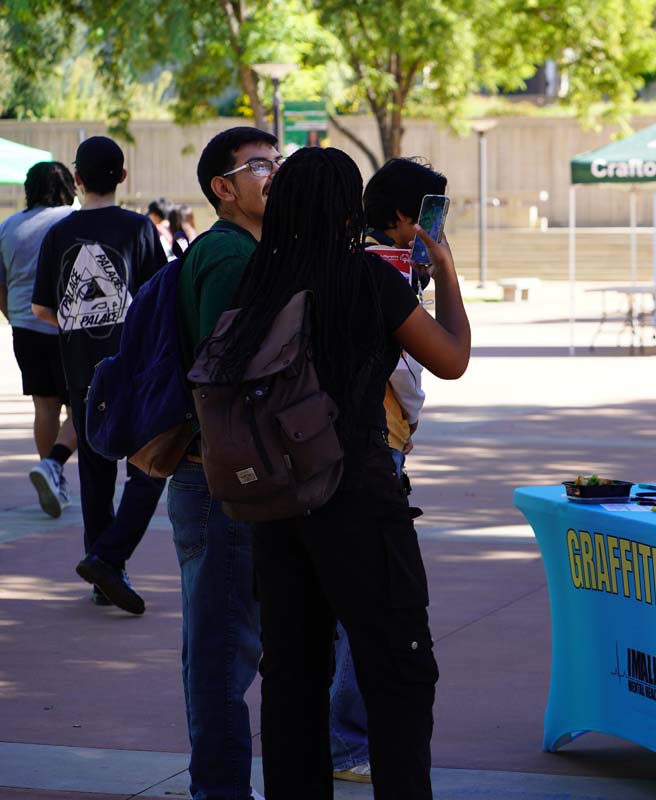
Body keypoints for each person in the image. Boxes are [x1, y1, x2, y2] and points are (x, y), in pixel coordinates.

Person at [202, 146, 470, 799]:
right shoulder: (368, 280)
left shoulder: (257, 282)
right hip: (358, 494)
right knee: (399, 669)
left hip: (278, 500)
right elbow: (452, 359)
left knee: (293, 673)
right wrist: (448, 275)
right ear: (350, 209)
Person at [326, 157, 444, 785]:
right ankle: (346, 739)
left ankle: (337, 735)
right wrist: (443, 274)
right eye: (430, 213)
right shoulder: (380, 271)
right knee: (372, 600)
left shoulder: (346, 263)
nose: (435, 226)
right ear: (403, 216)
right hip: (377, 441)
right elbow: (438, 361)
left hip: (345, 443)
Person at [171, 126, 280, 800]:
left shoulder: (236, 250)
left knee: (218, 642)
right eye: (263, 165)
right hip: (224, 478)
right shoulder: (232, 257)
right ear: (224, 187)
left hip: (218, 473)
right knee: (221, 651)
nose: (277, 174)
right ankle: (220, 791)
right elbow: (224, 377)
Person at [31, 136, 168, 614]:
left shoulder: (58, 235)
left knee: (93, 475)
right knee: (146, 468)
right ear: (124, 176)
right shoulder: (140, 229)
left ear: (79, 179)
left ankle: (101, 565)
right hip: (134, 368)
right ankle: (112, 557)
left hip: (81, 371)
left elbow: (41, 307)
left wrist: (78, 322)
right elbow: (157, 297)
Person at [0, 161, 78, 518]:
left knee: (44, 405)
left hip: (24, 326)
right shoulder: (73, 218)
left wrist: (14, 317)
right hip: (70, 326)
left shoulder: (8, 226)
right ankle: (55, 467)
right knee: (83, 403)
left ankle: (52, 474)